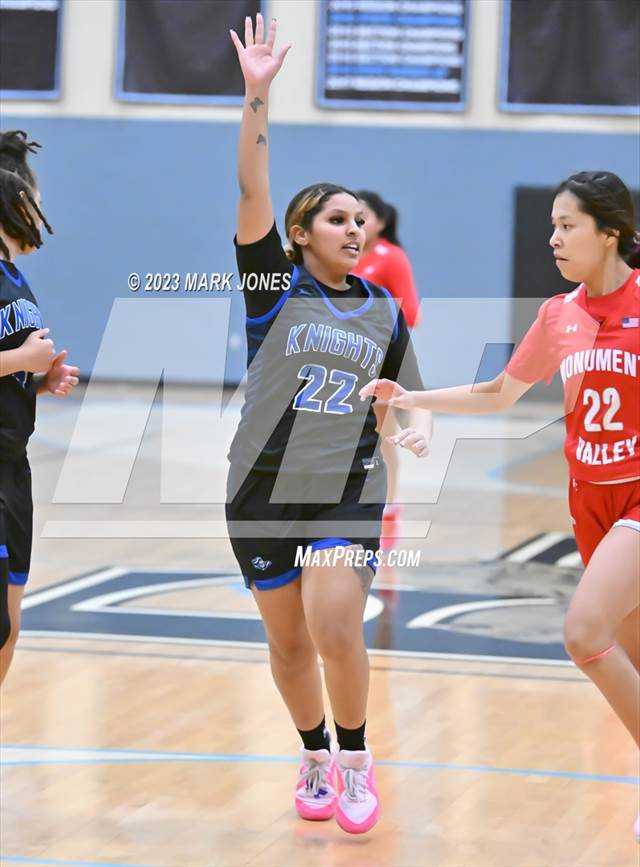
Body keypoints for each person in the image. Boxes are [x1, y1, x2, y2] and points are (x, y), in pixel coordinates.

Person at [359, 170, 640, 840]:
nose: (554, 238)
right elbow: (496, 393)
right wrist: (410, 398)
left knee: (583, 633)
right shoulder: (557, 315)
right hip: (588, 504)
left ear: (611, 232)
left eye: (567, 225)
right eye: (551, 225)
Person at [227, 15, 427, 834]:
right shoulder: (273, 289)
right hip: (260, 489)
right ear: (302, 235)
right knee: (287, 645)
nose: (356, 229)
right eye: (338, 219)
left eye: (361, 221)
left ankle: (353, 758)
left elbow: (399, 391)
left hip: (344, 488)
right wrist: (258, 96)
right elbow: (251, 192)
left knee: (336, 624)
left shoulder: (382, 306)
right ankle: (311, 749)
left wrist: (404, 423)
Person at [0, 130, 80, 684]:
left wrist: (35, 376)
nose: (41, 212)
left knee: (9, 626)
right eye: (37, 201)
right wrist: (19, 359)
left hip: (13, 466)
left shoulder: (13, 276)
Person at [352, 191, 429, 547]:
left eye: (361, 215)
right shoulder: (339, 257)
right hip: (339, 356)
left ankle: (389, 503)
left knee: (380, 434)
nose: (354, 224)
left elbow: (411, 312)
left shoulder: (390, 258)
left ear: (380, 222)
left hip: (378, 357)